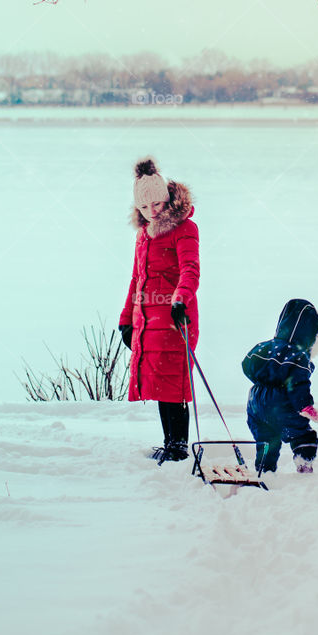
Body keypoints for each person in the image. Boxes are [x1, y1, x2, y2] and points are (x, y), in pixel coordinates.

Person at [119, 156, 199, 463]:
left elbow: (190, 269)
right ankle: (170, 442)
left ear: (167, 200)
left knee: (173, 384)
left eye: (157, 204)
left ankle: (179, 447)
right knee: (158, 383)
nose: (151, 212)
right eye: (144, 207)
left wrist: (180, 299)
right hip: (147, 321)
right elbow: (136, 279)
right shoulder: (143, 235)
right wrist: (126, 319)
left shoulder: (185, 229)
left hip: (175, 319)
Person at [242, 298, 318, 475]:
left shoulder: (265, 346)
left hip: (255, 401)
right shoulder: (299, 356)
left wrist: (265, 379)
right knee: (302, 433)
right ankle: (304, 462)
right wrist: (306, 406)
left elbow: (246, 364)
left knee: (267, 438)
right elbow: (298, 384)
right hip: (281, 403)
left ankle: (264, 468)